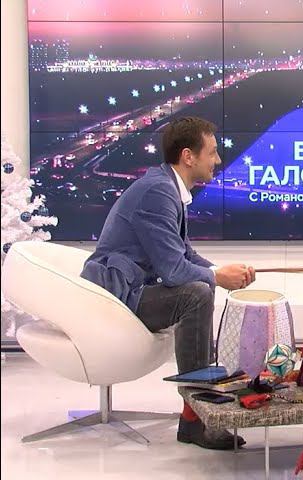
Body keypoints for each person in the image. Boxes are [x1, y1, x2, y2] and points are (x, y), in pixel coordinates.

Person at [81, 116, 256, 449]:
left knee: (201, 288)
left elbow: (184, 253)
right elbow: (175, 271)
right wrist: (218, 277)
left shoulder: (167, 187)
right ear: (188, 156)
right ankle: (196, 418)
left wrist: (223, 272)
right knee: (196, 293)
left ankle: (194, 416)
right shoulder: (158, 191)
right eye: (212, 152)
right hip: (117, 295)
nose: (218, 160)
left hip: (132, 287)